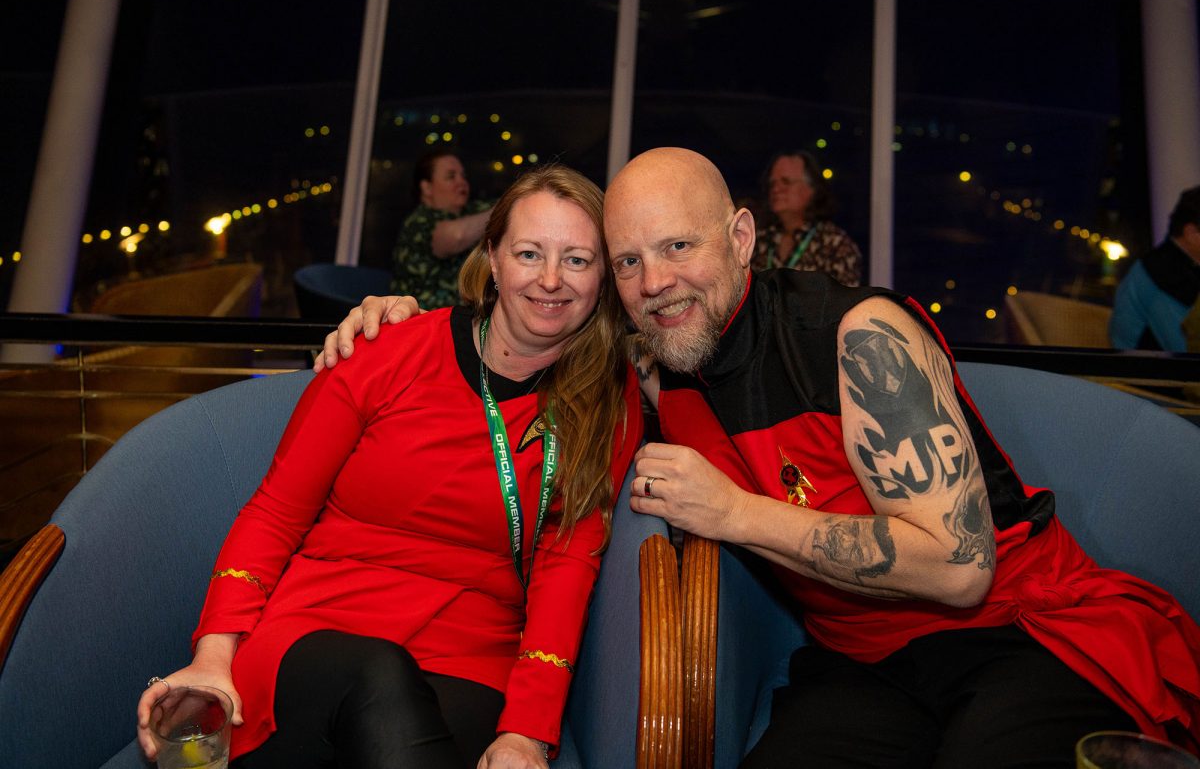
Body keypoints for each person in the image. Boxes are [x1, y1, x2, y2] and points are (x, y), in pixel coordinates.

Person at [319, 148, 1200, 766]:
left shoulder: (860, 336)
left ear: (741, 238)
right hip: (862, 664)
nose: (655, 281)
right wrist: (407, 321)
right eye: (628, 262)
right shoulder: (655, 363)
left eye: (679, 246)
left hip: (1024, 633)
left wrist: (734, 512)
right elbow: (526, 340)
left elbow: (961, 569)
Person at [137, 165, 643, 769]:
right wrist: (214, 657)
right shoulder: (387, 348)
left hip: (471, 656)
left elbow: (568, 567)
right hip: (319, 629)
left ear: (603, 277)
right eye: (529, 253)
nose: (551, 279)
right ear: (492, 257)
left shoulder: (605, 402)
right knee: (379, 674)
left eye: (577, 260)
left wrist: (527, 733)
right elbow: (275, 512)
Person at [391, 150, 494, 309]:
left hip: (465, 316)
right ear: (427, 188)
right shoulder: (418, 222)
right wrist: (504, 210)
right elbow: (457, 236)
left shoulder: (472, 210)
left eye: (463, 176)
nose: (462, 182)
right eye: (451, 177)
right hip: (422, 316)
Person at [1109, 184, 1200, 352]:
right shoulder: (1161, 274)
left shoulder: (1176, 267)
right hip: (1144, 367)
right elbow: (1185, 348)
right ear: (1191, 233)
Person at [754, 149, 862, 286]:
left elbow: (847, 298)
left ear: (811, 189)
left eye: (786, 181)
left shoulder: (836, 246)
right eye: (772, 183)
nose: (776, 189)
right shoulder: (760, 240)